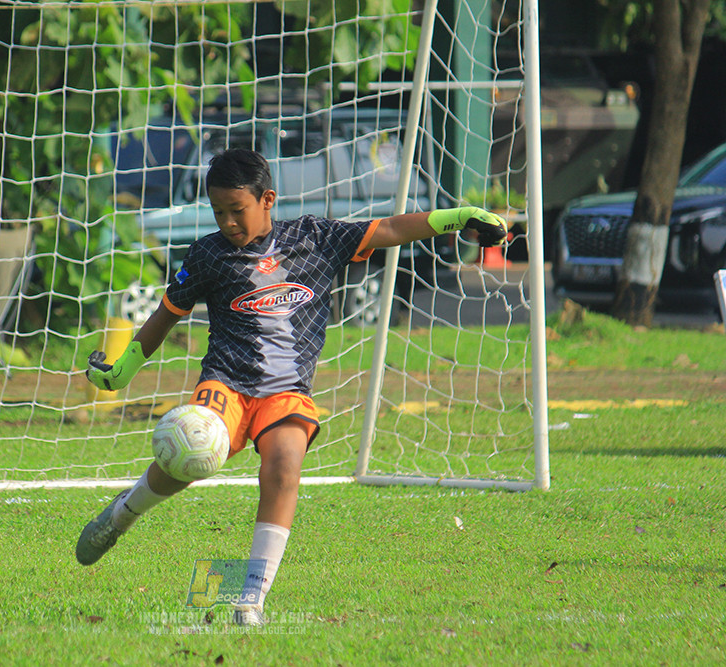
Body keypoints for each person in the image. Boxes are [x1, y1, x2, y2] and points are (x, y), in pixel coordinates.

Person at [76, 148, 507, 626]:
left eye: (236, 210)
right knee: (184, 462)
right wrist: (120, 373)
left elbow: (389, 229)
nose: (227, 222)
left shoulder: (314, 237)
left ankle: (250, 601)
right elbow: (164, 318)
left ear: (268, 199)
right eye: (218, 211)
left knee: (284, 466)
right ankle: (121, 516)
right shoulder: (208, 254)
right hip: (227, 382)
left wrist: (459, 217)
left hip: (287, 392)